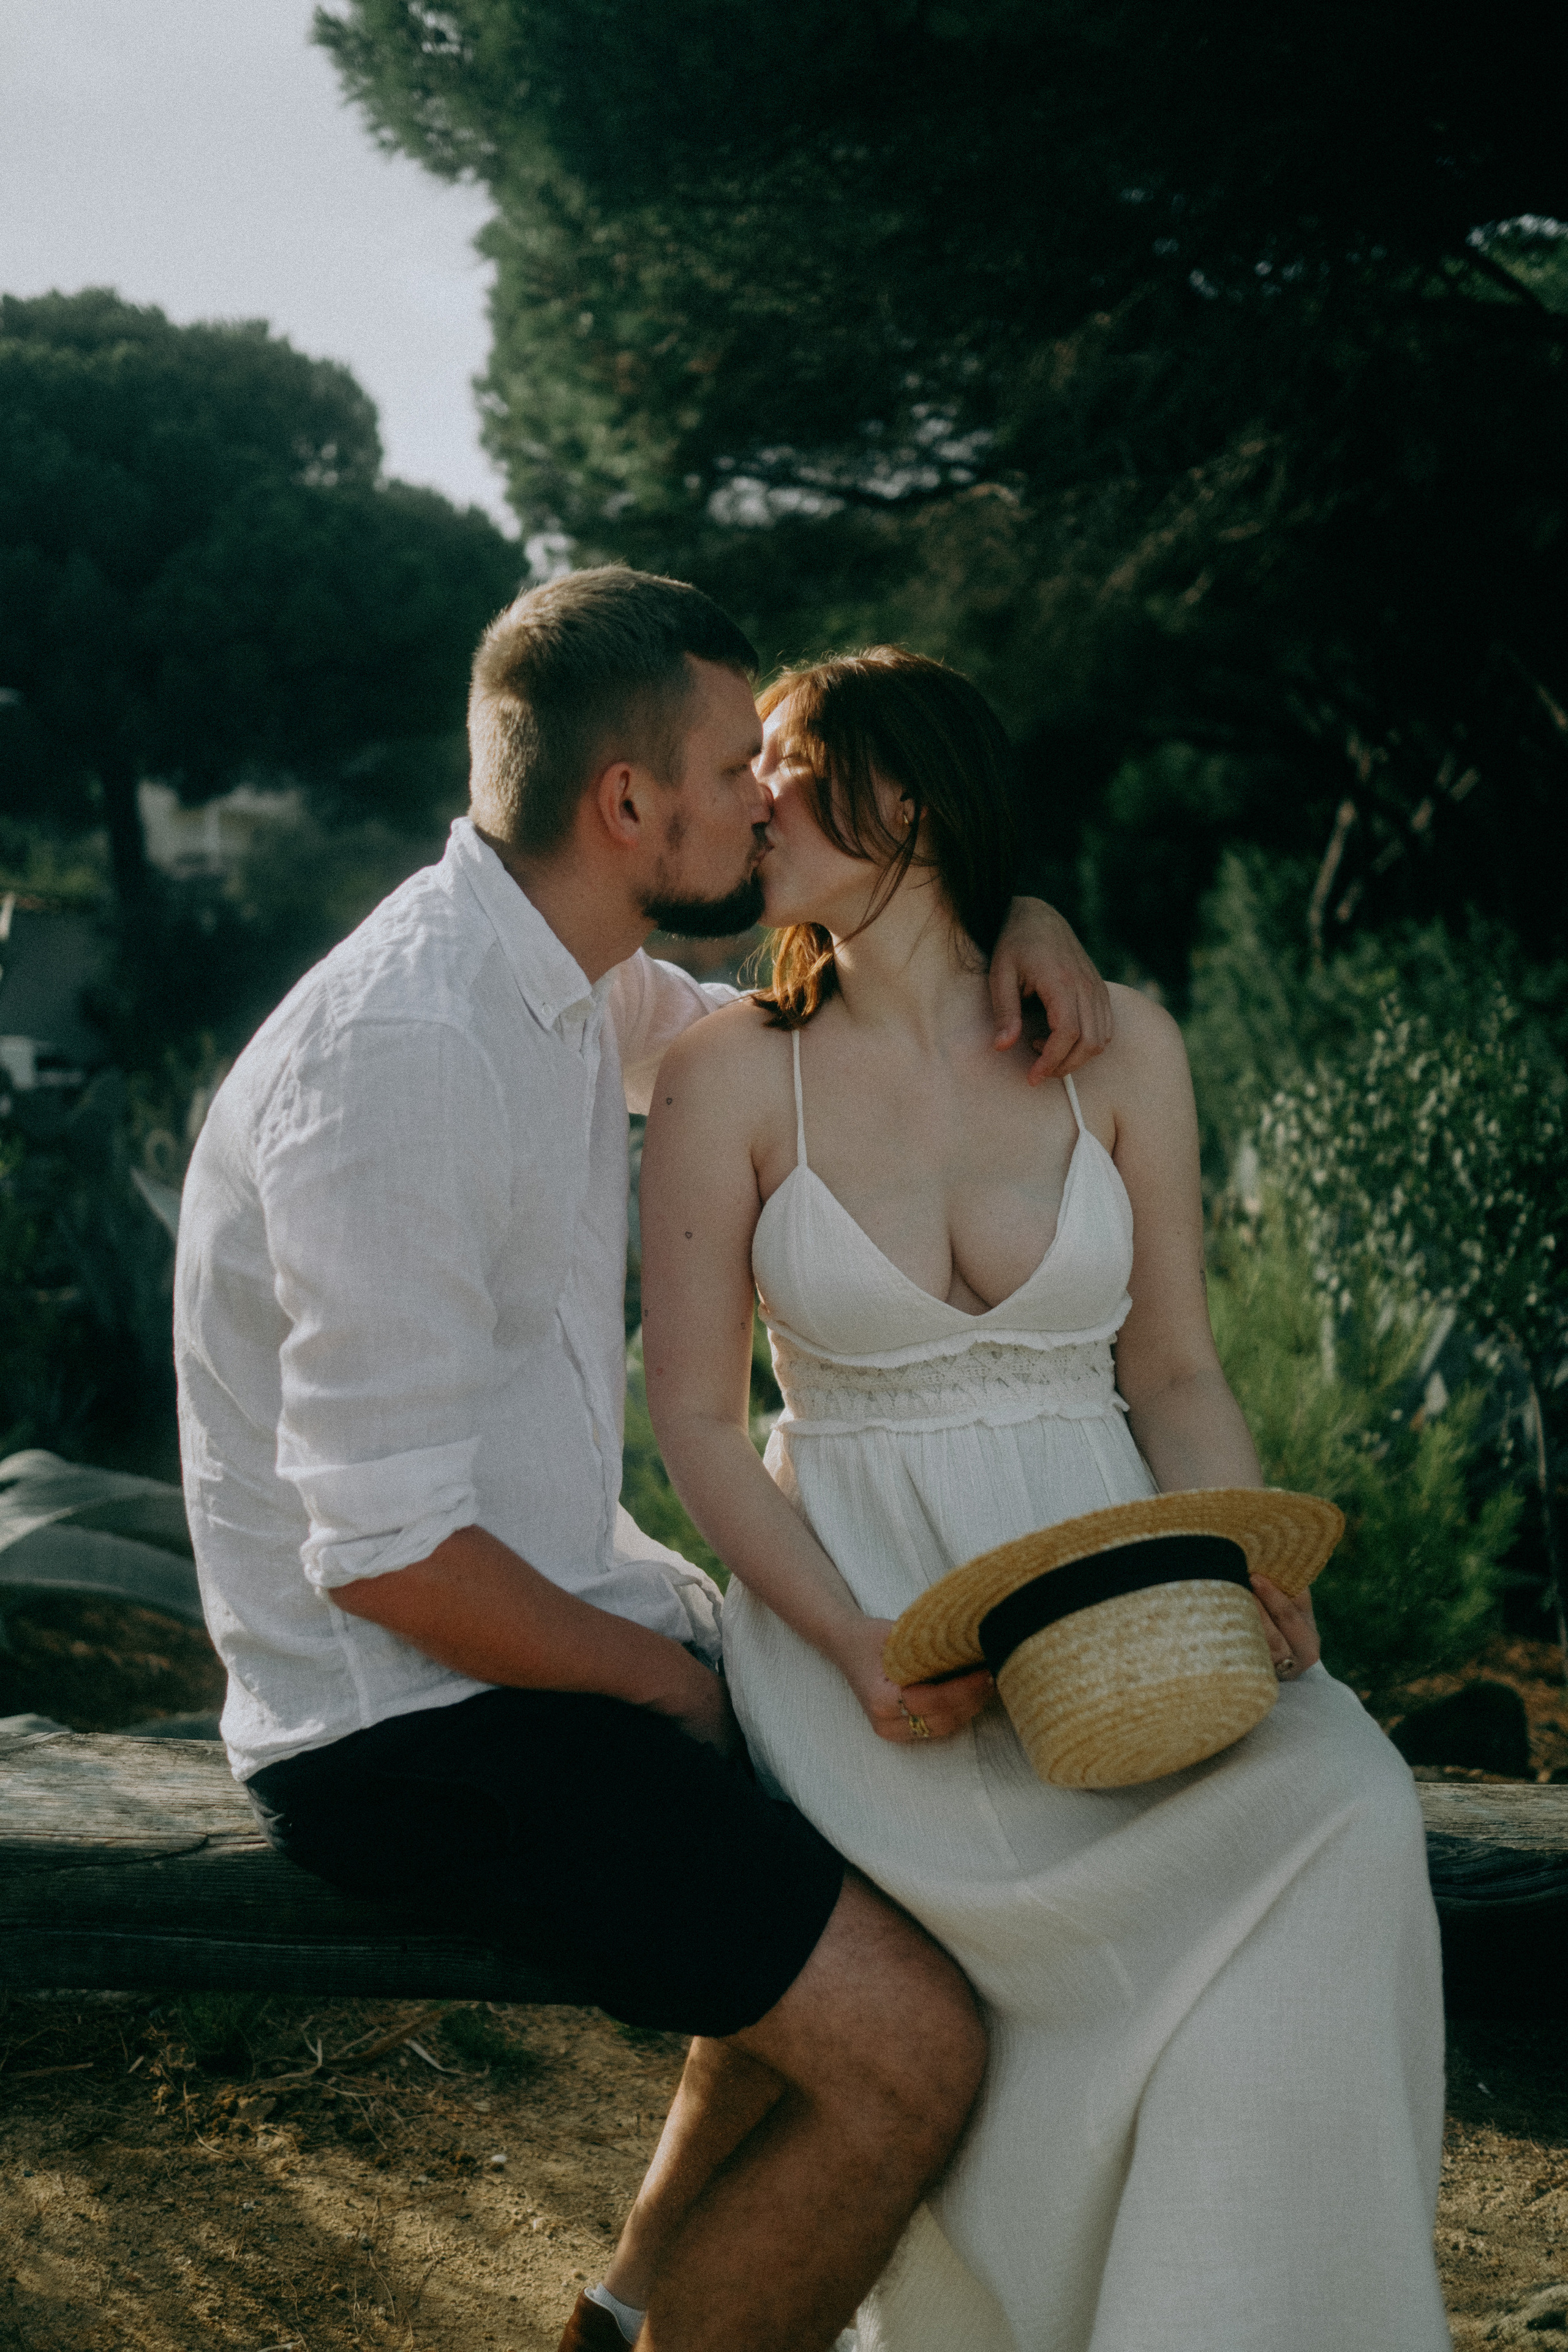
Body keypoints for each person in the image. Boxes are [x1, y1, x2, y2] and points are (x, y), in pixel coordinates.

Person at [172, 569, 1114, 2352]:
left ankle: (626, 2315)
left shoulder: (560, 986)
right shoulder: (410, 1052)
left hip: (519, 1654)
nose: (770, 796)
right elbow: (377, 1556)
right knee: (915, 2056)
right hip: (405, 1726)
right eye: (736, 765)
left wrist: (1019, 919)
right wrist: (661, 1689)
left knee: (853, 1854)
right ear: (626, 805)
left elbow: (802, 1041)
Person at [633, 647, 1450, 2352]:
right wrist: (856, 1646)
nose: (749, 793)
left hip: (1113, 1608)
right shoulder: (723, 1073)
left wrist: (1238, 1555)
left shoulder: (1115, 1043)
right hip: (865, 1639)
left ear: (907, 795)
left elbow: (1173, 1371)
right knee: (988, 2001)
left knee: (1349, 1804)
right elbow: (701, 1427)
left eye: (785, 760)